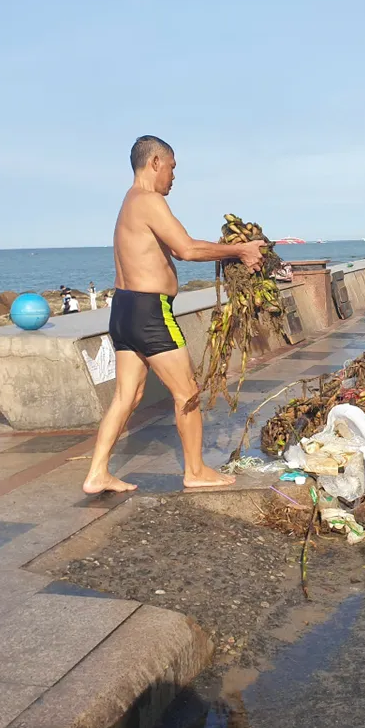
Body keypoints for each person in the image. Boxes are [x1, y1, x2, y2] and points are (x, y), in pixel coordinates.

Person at [82, 135, 264, 495]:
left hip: (123, 309)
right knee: (188, 393)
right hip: (150, 313)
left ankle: (97, 473)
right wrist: (242, 249)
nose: (174, 177)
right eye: (172, 168)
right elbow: (186, 249)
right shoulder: (149, 200)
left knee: (126, 397)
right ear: (155, 163)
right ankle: (195, 470)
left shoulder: (129, 202)